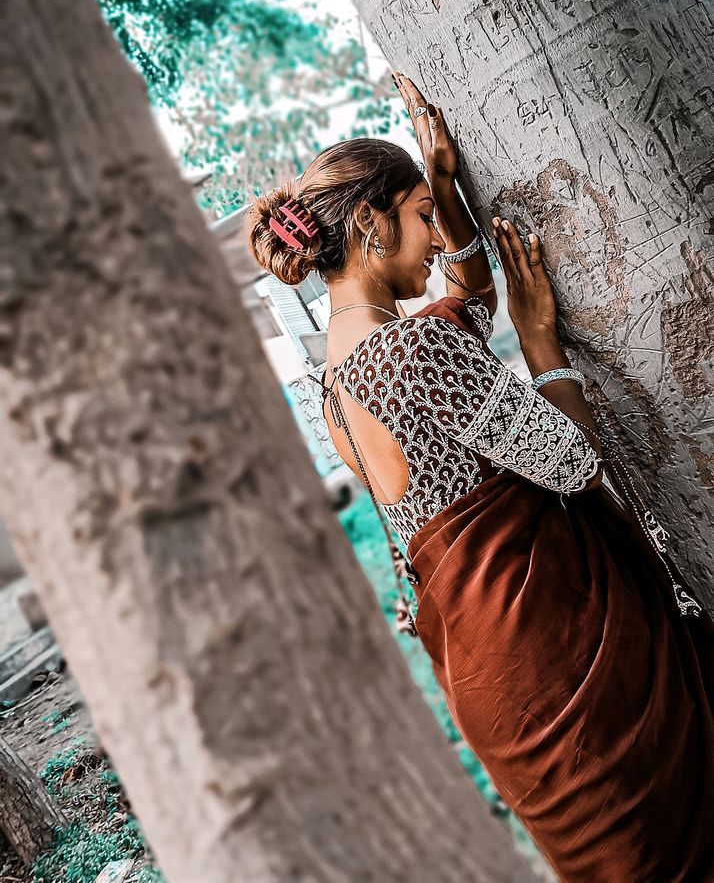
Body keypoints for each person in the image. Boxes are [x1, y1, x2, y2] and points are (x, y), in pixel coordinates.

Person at [246, 74, 714, 882]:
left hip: (498, 687)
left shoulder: (338, 382)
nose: (433, 239)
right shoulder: (412, 352)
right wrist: (540, 345)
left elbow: (468, 290)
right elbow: (571, 458)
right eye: (420, 217)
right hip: (565, 658)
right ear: (369, 222)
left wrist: (447, 188)